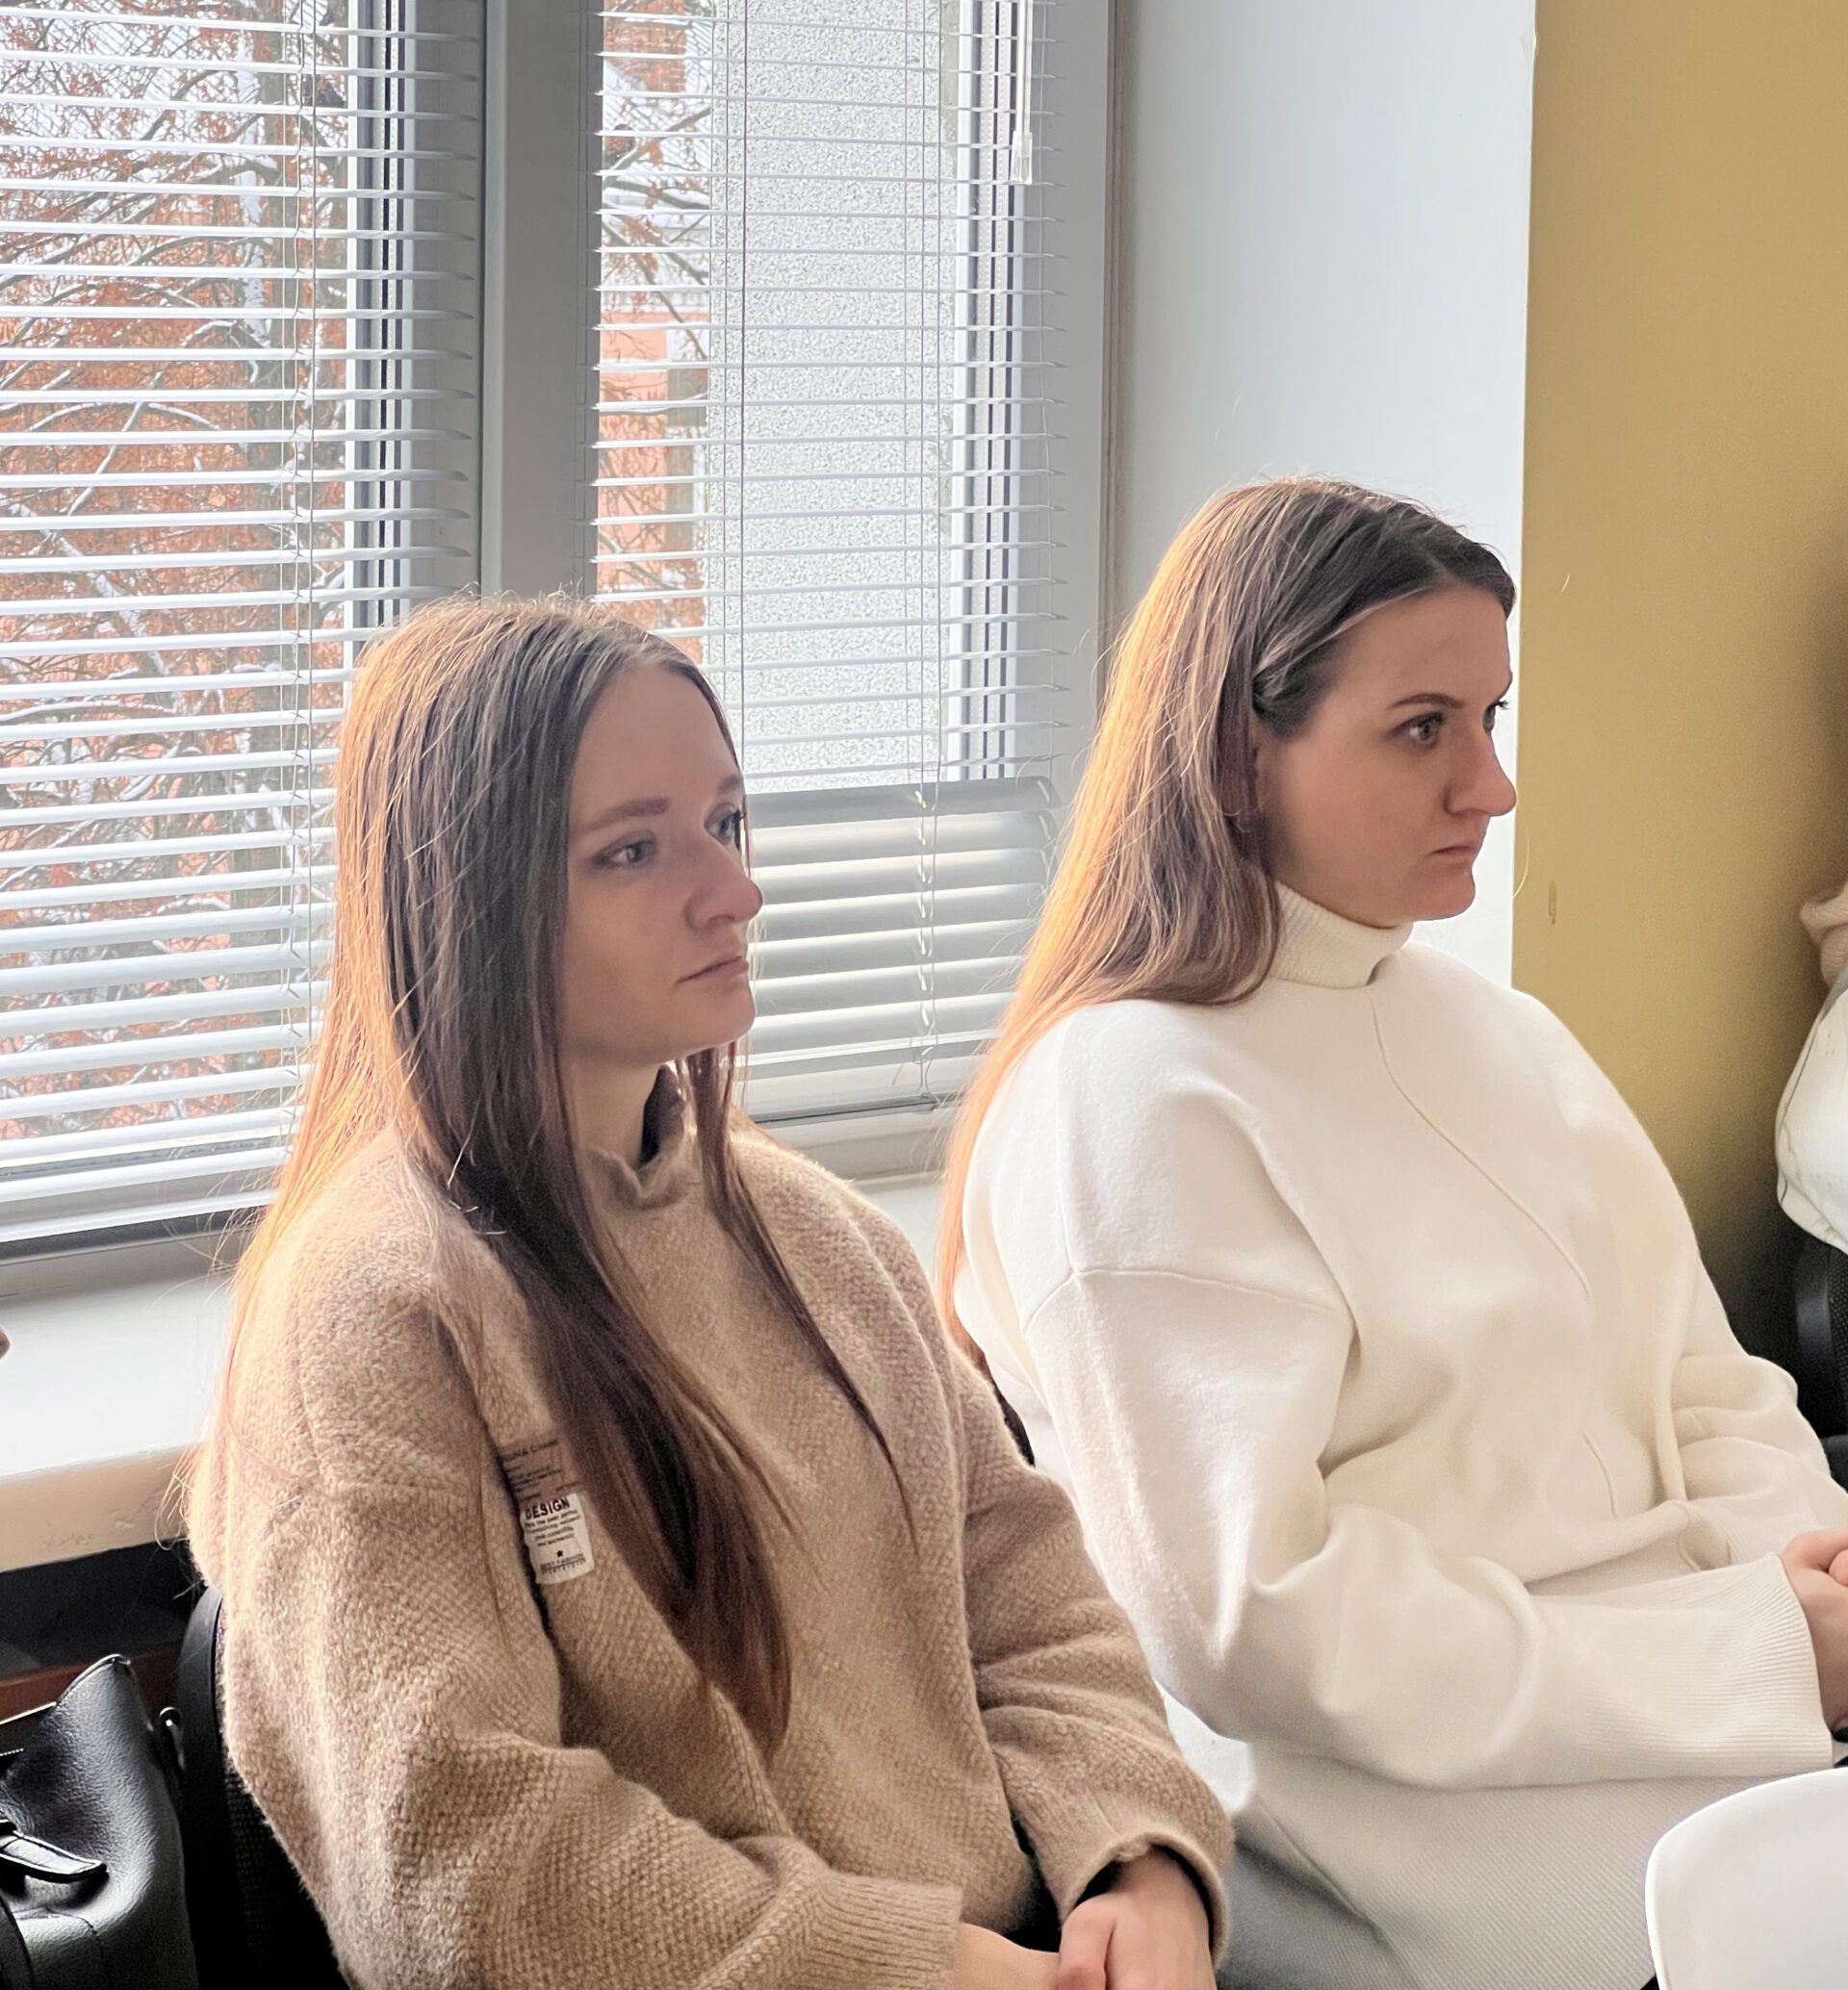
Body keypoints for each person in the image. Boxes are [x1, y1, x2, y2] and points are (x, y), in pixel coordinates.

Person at [188, 598, 1229, 1990]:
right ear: (471, 903)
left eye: (726, 824)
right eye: (633, 850)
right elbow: (464, 1859)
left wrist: (1140, 1865)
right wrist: (926, 1968)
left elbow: (1032, 1600)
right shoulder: (375, 1311)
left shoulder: (822, 1238)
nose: (732, 892)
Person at [941, 478, 1848, 1990]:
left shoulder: (1504, 1033)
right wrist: (1758, 1654)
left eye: (1490, 719)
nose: (1492, 787)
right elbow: (1258, 1624)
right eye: (1423, 729)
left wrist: (1812, 1592)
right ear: (1238, 758)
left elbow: (1711, 1387)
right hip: (1423, 1855)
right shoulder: (1128, 1099)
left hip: (1718, 1742)